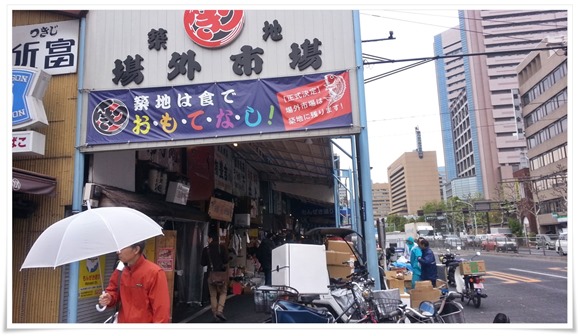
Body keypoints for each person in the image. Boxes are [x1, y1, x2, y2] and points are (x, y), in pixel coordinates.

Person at [98, 240, 171, 323]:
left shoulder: (154, 273)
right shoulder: (120, 271)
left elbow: (161, 311)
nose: (118, 252)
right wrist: (109, 298)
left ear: (136, 250)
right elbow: (113, 292)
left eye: (122, 248)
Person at [201, 231, 229, 322]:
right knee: (223, 292)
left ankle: (215, 313)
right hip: (221, 275)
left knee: (213, 295)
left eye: (208, 238)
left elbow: (202, 263)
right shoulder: (222, 248)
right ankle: (220, 311)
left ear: (211, 239)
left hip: (211, 275)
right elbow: (226, 261)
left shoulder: (206, 249)